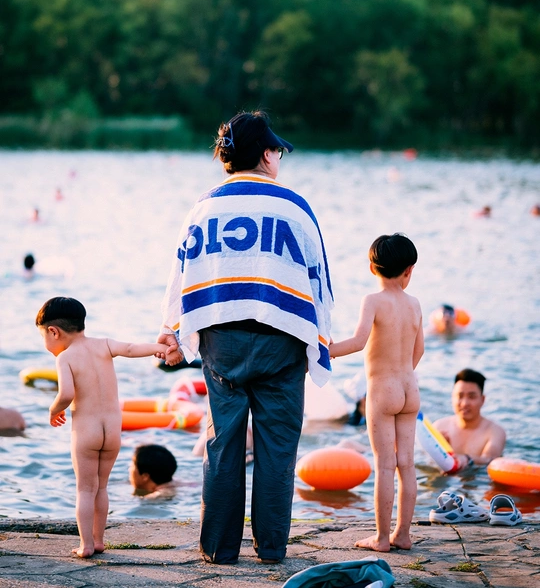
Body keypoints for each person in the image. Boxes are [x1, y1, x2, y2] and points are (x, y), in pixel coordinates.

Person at [158, 110, 334, 565]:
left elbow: (182, 274)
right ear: (267, 155)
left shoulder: (204, 207)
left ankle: (219, 548)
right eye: (277, 151)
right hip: (281, 339)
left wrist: (171, 329)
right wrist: (320, 338)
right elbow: (316, 279)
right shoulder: (293, 205)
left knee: (223, 444)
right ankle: (271, 548)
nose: (279, 158)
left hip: (223, 341)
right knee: (277, 447)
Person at [36, 296, 178, 559]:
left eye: (43, 336)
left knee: (85, 489)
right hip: (112, 432)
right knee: (101, 488)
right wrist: (161, 348)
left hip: (87, 433)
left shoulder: (65, 358)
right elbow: (132, 348)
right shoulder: (104, 345)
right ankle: (100, 541)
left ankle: (86, 544)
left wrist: (54, 409)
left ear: (53, 331)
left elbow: (66, 394)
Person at [329, 233, 424, 552]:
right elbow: (419, 350)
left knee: (385, 464)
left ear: (372, 268)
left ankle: (382, 538)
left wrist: (327, 351)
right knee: (406, 463)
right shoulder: (415, 304)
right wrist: (403, 374)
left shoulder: (373, 300)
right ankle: (403, 534)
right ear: (409, 270)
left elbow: (358, 342)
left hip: (383, 392)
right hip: (410, 389)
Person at [433, 369, 506, 469]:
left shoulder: (495, 432)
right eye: (460, 396)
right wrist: (439, 451)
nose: (464, 403)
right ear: (452, 397)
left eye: (471, 397)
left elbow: (490, 460)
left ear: (482, 400)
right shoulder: (439, 427)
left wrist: (467, 459)